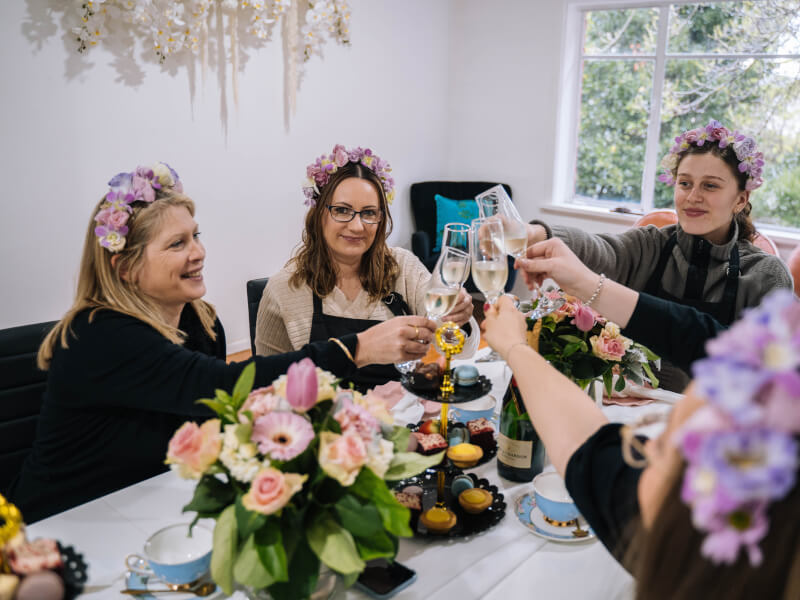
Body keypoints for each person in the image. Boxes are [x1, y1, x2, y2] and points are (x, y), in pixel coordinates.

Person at [9, 163, 435, 522]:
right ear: (125, 268)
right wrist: (356, 349)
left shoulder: (201, 322)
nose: (199, 253)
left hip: (156, 503)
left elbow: (225, 421)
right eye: (177, 244)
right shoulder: (99, 333)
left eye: (196, 235)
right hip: (66, 523)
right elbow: (221, 387)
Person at [482, 293, 799, 599]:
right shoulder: (703, 533)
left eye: (660, 447)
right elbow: (586, 444)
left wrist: (516, 347)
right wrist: (516, 347)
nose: (641, 450)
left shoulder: (672, 534)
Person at [520, 120, 792, 390]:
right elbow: (602, 250)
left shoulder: (766, 275)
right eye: (685, 183)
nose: (692, 196)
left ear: (740, 200)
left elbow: (771, 378)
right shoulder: (650, 244)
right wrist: (538, 233)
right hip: (634, 411)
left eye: (710, 186)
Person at [255, 144, 477, 391]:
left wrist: (458, 318)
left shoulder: (403, 268)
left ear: (381, 219)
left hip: (398, 423)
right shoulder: (283, 289)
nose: (357, 226)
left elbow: (459, 348)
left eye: (369, 213)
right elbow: (266, 383)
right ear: (319, 214)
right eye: (342, 210)